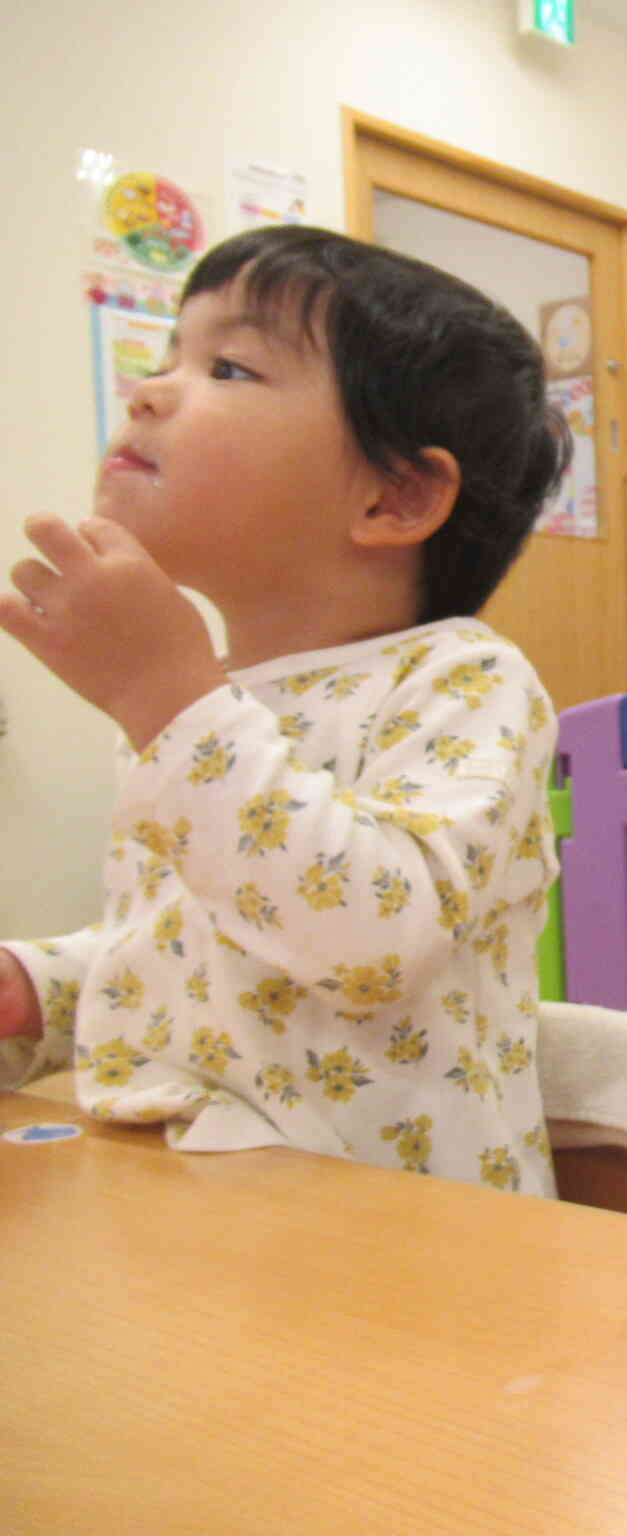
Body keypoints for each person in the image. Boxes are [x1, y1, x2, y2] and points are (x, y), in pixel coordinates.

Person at [0, 225, 570, 1195]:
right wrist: (39, 985)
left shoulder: (463, 679)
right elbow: (203, 947)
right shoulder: (203, 703)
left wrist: (166, 700)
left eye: (227, 366)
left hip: (399, 1242)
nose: (149, 390)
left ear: (394, 497)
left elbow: (370, 946)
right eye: (164, 356)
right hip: (193, 1206)